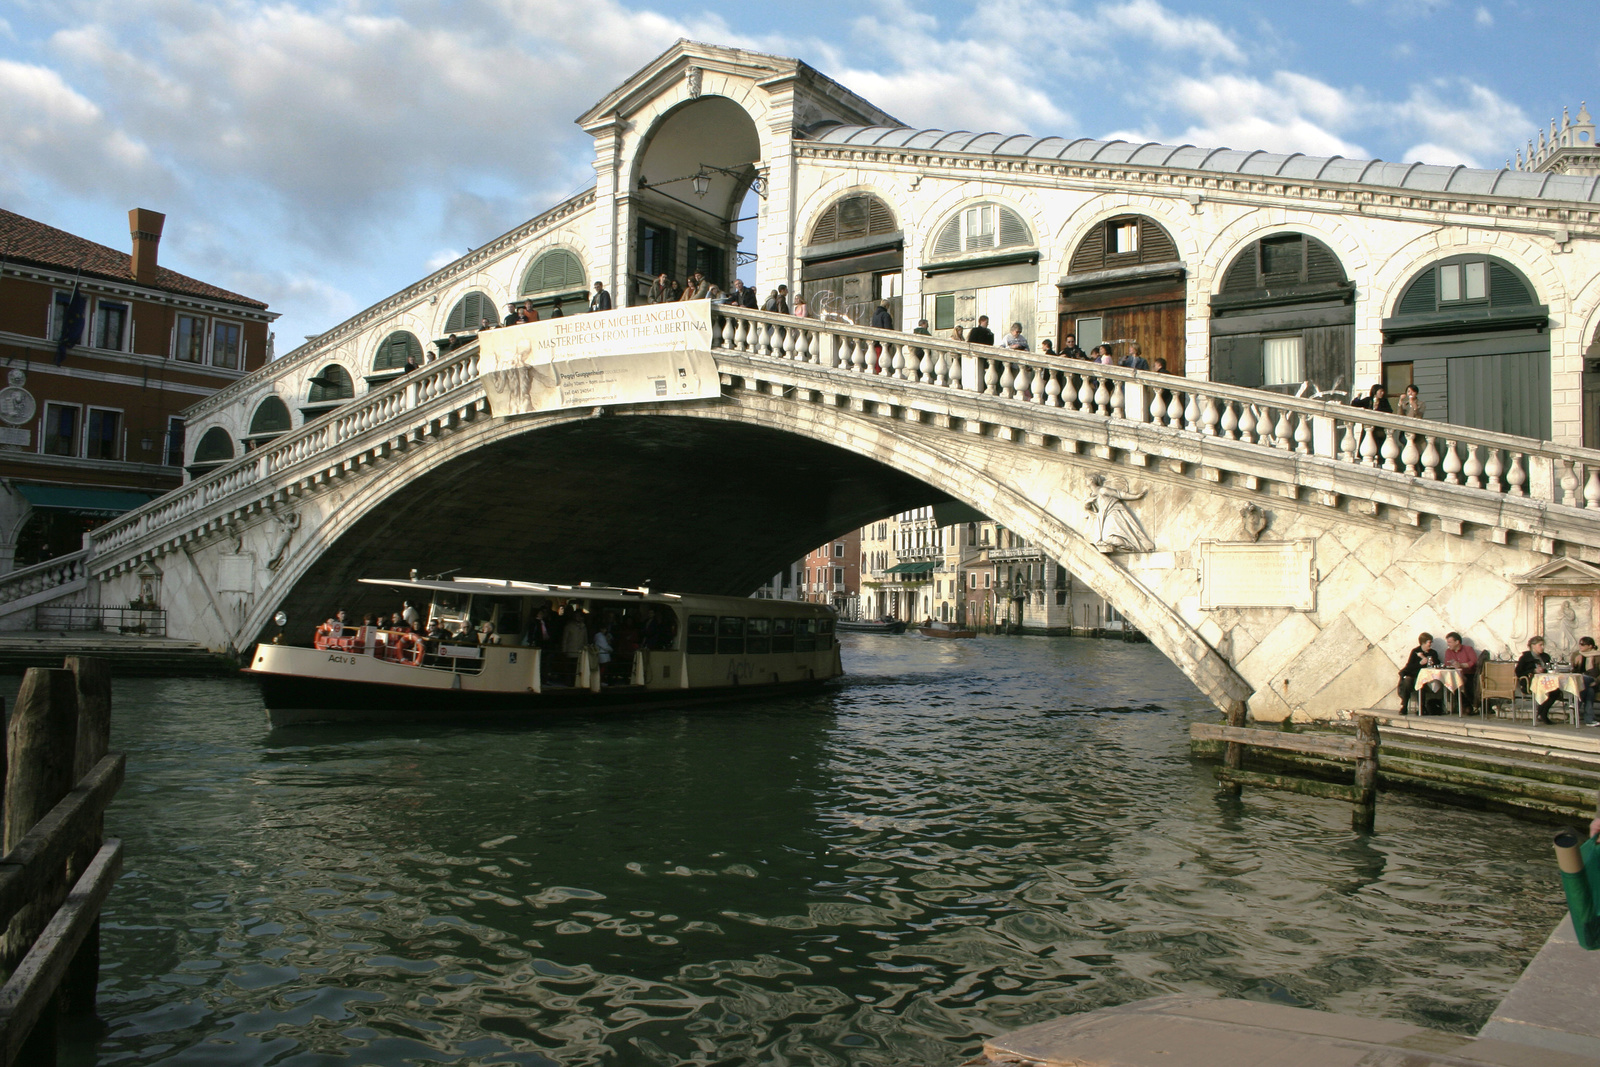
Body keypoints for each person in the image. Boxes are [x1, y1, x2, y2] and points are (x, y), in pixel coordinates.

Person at [1515, 635, 1558, 724]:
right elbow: (1518, 672)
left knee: (1556, 691)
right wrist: (1533, 670)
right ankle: (1542, 714)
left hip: (1546, 681)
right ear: (1533, 646)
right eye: (1540, 645)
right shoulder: (1525, 657)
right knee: (1550, 691)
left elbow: (1549, 667)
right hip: (1531, 683)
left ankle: (1542, 712)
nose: (1542, 647)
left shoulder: (1545, 656)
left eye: (1543, 645)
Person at [1397, 632, 1442, 714]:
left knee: (1422, 682)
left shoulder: (1433, 653)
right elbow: (1409, 666)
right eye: (1429, 642)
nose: (1431, 644)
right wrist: (1419, 664)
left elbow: (1437, 664)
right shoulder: (1415, 652)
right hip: (1414, 676)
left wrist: (1432, 662)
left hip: (1426, 677)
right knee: (1407, 681)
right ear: (1423, 642)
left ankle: (1422, 706)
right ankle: (1404, 705)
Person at [1440, 632, 1479, 712]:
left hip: (1469, 673)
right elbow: (1447, 663)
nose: (1448, 644)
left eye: (1450, 642)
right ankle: (1466, 706)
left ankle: (1474, 705)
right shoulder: (1448, 651)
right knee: (1452, 684)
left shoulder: (1468, 649)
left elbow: (1474, 662)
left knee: (1468, 683)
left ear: (1457, 642)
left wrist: (1461, 665)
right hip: (1455, 674)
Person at [1574, 636, 1600, 726]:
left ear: (1590, 646)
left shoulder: (1598, 656)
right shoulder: (1577, 654)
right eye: (1580, 644)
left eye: (1583, 644)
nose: (1580, 646)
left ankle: (1576, 703)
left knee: (1584, 679)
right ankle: (1589, 720)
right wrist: (1576, 662)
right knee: (1589, 692)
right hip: (1583, 683)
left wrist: (1596, 681)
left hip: (1593, 680)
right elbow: (1573, 670)